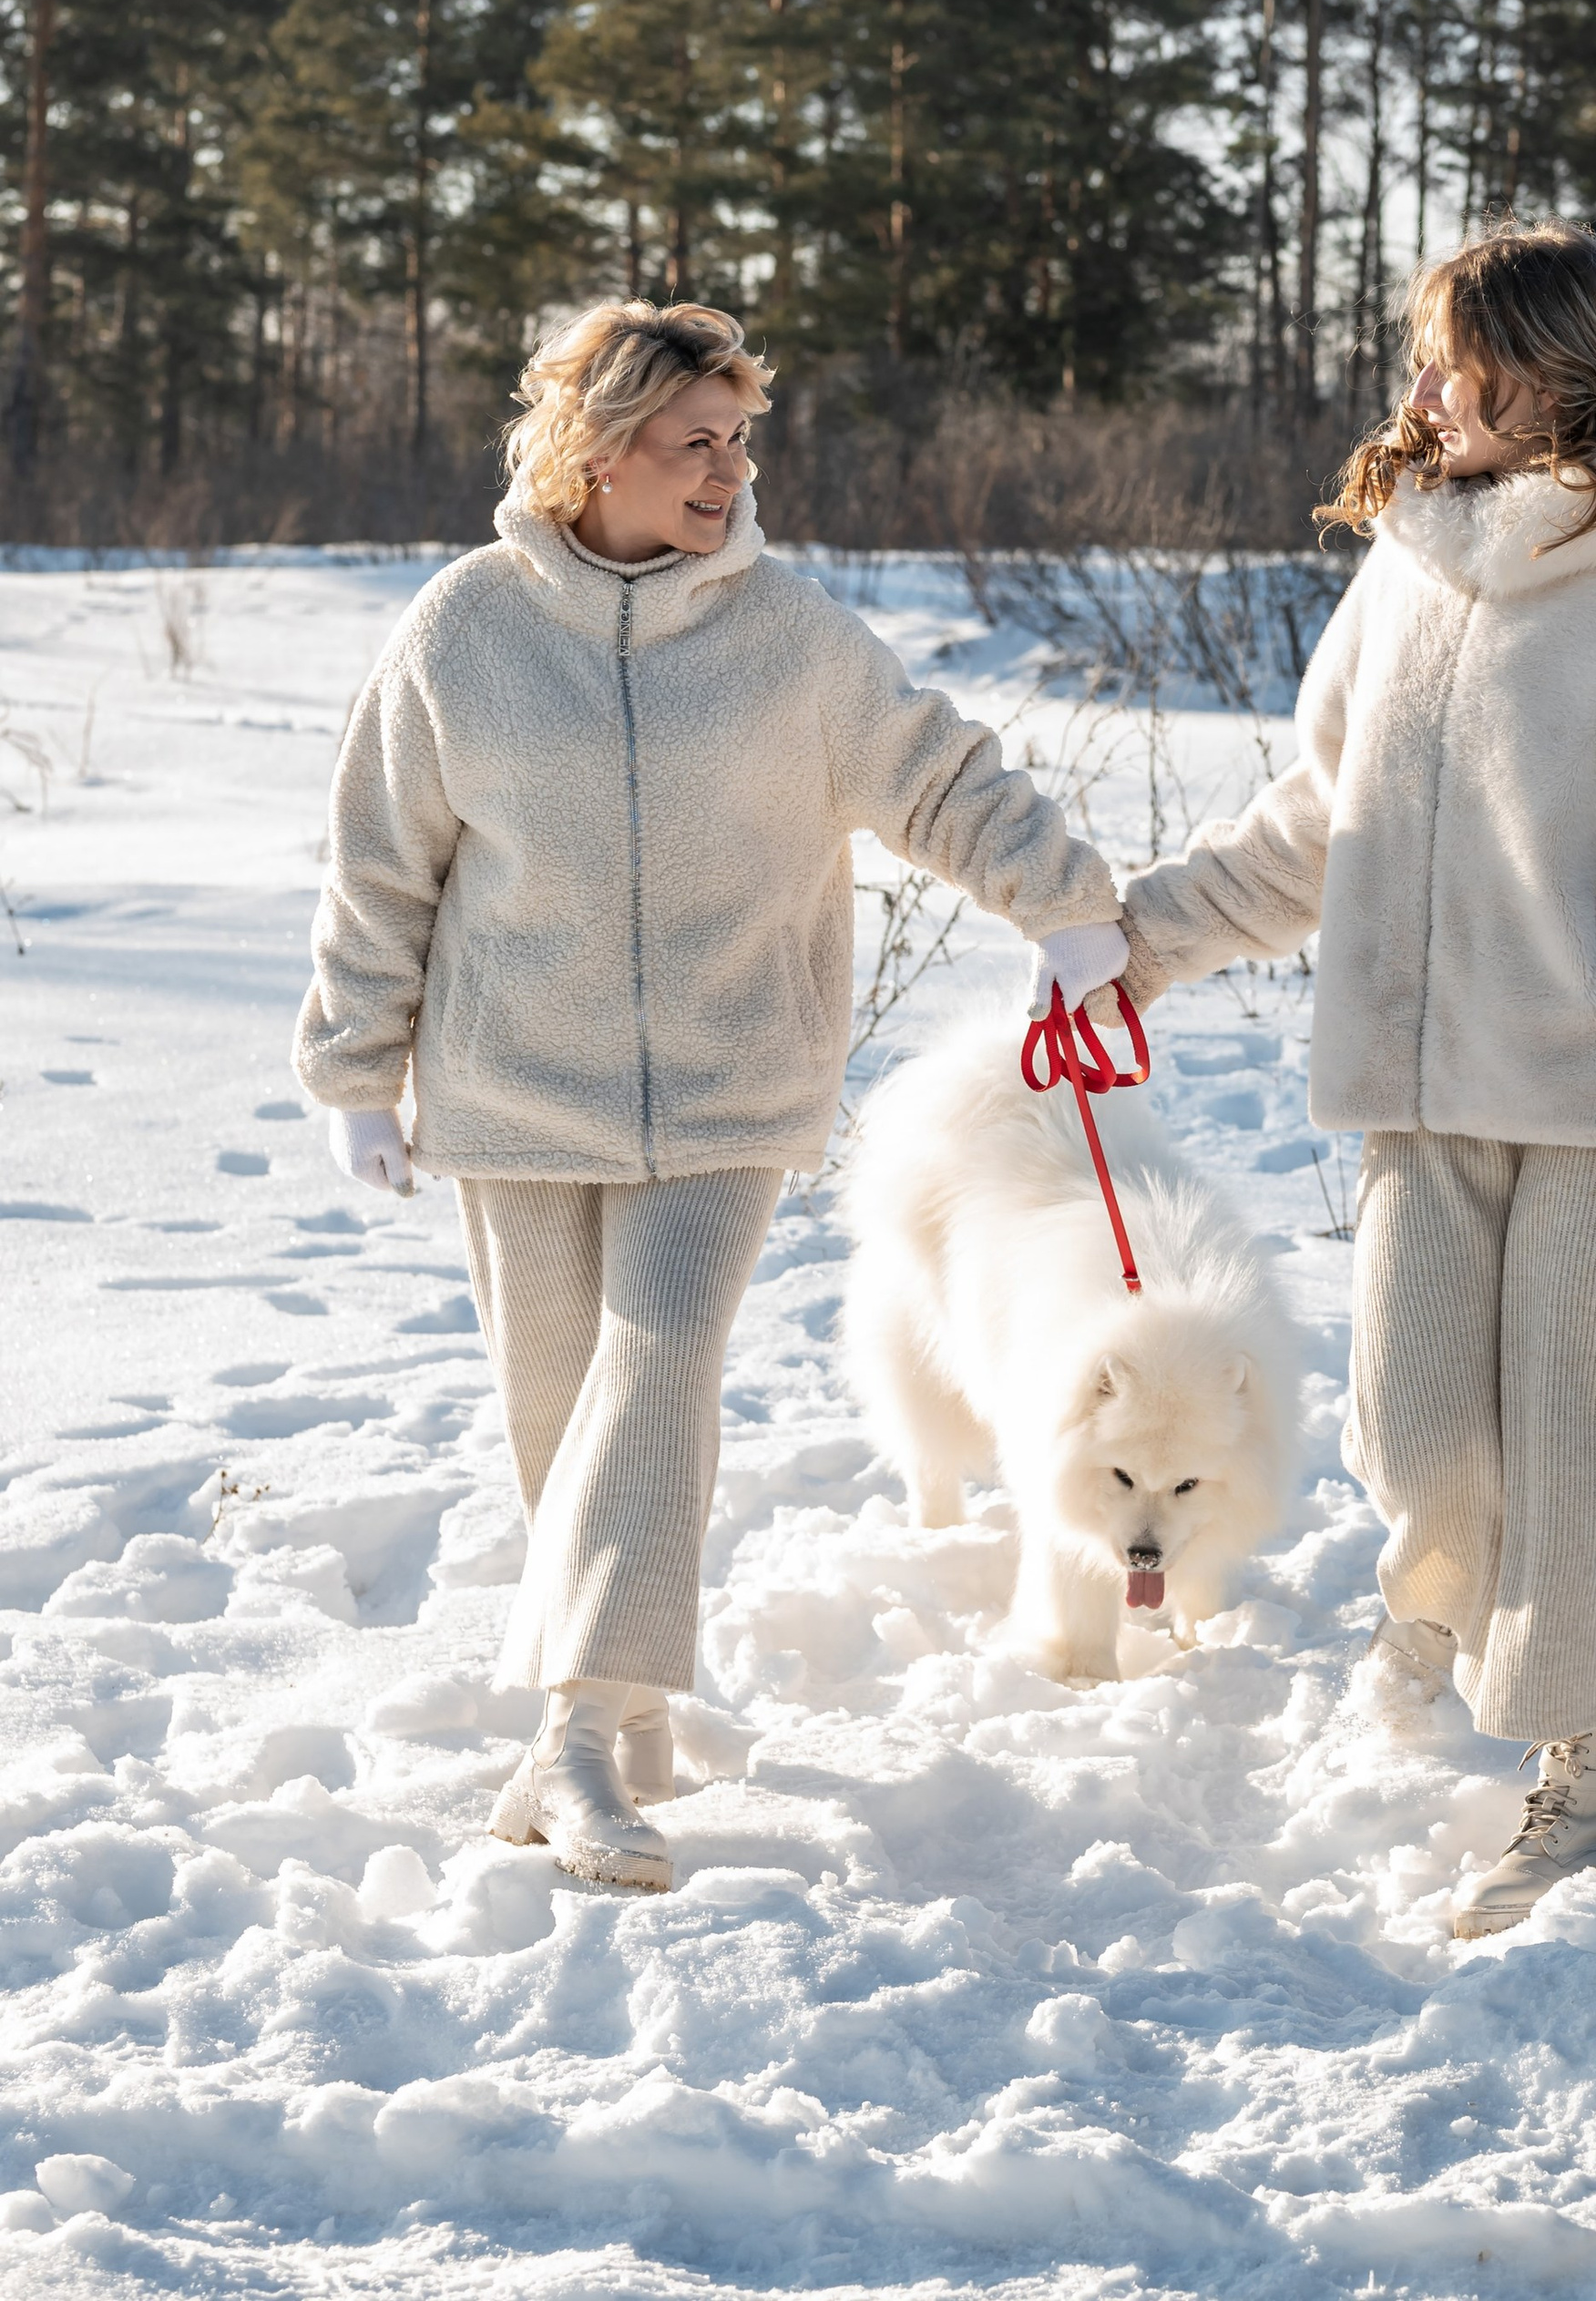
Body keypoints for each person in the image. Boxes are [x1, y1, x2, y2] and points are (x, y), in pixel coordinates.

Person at [293, 298, 1125, 1893]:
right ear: (598, 449)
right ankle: (626, 1704)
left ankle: (573, 1742)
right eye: (697, 442)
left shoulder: (789, 636)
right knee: (562, 1414)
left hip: (729, 1089)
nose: (732, 471)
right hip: (514, 1086)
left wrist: (1066, 901)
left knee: (657, 1365)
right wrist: (353, 1068)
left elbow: (938, 771)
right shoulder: (466, 629)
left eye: (742, 440)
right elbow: (380, 861)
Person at [1114, 225, 1596, 1937]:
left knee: (1577, 1449)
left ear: (1546, 381)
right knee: (1415, 1431)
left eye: (1454, 362)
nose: (1421, 391)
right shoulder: (1408, 562)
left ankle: (1578, 1767)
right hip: (1425, 1089)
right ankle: (1439, 1597)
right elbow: (1316, 823)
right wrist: (1148, 937)